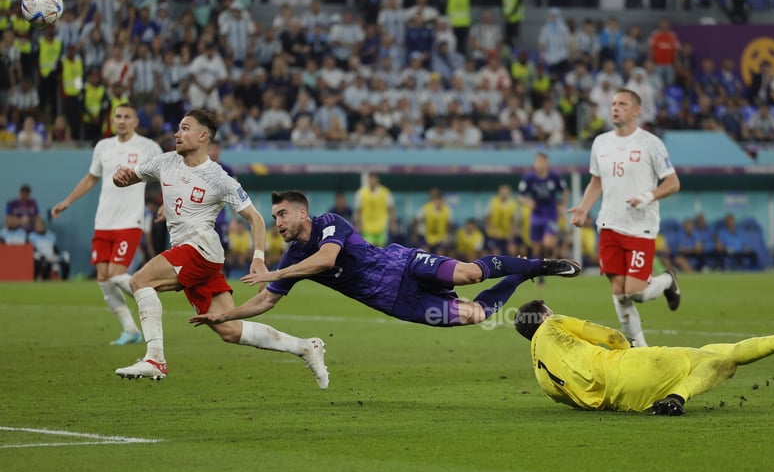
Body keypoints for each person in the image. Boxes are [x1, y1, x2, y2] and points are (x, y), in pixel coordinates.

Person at [110, 109, 329, 387]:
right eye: (178, 128)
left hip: (200, 249)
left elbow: (255, 218)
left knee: (140, 280)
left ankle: (155, 359)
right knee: (230, 329)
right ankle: (306, 347)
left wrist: (258, 258)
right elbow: (131, 177)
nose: (177, 133)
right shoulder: (165, 162)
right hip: (191, 254)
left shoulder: (218, 178)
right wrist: (121, 176)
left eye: (185, 128)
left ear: (203, 136)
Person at [188, 190, 582, 332]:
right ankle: (521, 277)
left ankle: (535, 265)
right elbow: (267, 300)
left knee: (468, 273)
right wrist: (225, 316)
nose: (277, 223)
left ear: (302, 213)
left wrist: (277, 271)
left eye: (281, 215)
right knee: (477, 316)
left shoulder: (330, 224)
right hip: (397, 302)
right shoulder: (293, 257)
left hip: (405, 263)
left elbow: (327, 261)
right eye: (274, 218)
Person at [513, 300, 774, 415]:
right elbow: (606, 335)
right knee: (720, 359)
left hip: (624, 402)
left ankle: (673, 398)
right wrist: (630, 347)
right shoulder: (552, 325)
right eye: (549, 311)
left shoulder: (541, 379)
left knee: (712, 357)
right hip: (629, 368)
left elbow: (578, 401)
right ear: (543, 317)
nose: (552, 314)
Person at [567, 89, 681, 348]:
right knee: (619, 292)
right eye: (614, 103)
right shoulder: (601, 142)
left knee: (635, 291)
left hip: (640, 228)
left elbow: (673, 183)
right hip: (608, 225)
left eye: (622, 104)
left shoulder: (651, 143)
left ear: (636, 110)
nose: (615, 108)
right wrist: (584, 208)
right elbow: (596, 181)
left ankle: (666, 281)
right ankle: (640, 350)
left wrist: (649, 195)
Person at [51, 104, 163, 345]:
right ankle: (130, 330)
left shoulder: (148, 147)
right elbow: (92, 178)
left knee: (116, 274)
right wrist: (67, 201)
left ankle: (148, 297)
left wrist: (166, 203)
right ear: (113, 120)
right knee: (103, 278)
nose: (121, 120)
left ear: (135, 122)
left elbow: (166, 174)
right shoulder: (103, 147)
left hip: (129, 221)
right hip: (103, 222)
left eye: (126, 117)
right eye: (118, 116)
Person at [518, 152, 568, 282]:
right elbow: (521, 196)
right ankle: (539, 274)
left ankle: (548, 264)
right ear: (534, 164)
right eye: (538, 162)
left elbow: (565, 191)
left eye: (542, 161)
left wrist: (562, 204)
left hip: (551, 214)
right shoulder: (529, 177)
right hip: (536, 215)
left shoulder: (554, 176)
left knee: (548, 243)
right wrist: (528, 202)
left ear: (547, 163)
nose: (540, 164)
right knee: (536, 246)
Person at [354, 173, 395, 247]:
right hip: (367, 227)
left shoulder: (385, 192)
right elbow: (358, 210)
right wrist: (357, 224)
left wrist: (393, 222)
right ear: (368, 180)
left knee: (380, 249)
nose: (372, 181)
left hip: (382, 226)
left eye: (374, 179)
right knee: (370, 249)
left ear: (377, 180)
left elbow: (391, 208)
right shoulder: (361, 193)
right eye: (370, 179)